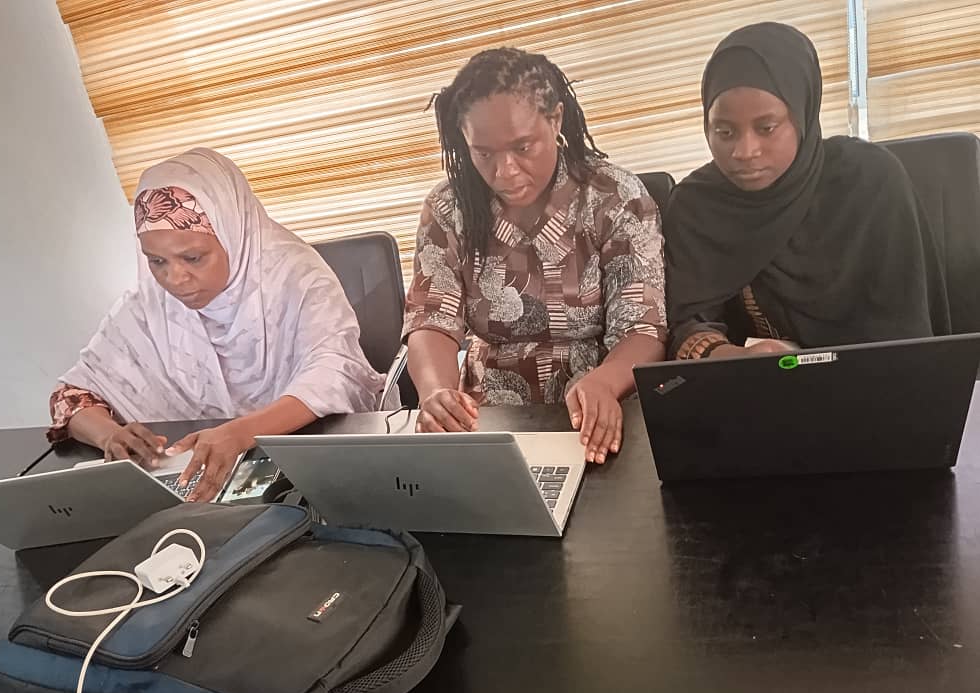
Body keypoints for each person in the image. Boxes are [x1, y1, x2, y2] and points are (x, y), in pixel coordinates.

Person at [49, 148, 384, 501]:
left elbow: (338, 373)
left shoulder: (296, 278)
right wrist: (108, 435)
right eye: (157, 261)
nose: (174, 278)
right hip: (202, 484)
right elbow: (71, 396)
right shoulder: (150, 305)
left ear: (231, 233)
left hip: (309, 473)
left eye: (192, 258)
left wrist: (243, 432)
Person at [404, 47, 667, 464]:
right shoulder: (448, 209)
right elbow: (431, 318)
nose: (504, 171)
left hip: (600, 419)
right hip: (490, 424)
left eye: (523, 147)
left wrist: (606, 382)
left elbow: (643, 327)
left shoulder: (615, 198)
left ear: (556, 120)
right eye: (484, 153)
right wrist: (437, 391)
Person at [665, 22, 950, 361]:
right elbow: (686, 324)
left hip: (878, 384)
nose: (745, 151)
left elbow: (904, 325)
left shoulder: (869, 181)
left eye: (766, 128)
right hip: (757, 390)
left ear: (802, 115)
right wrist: (727, 356)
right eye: (724, 132)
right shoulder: (697, 206)